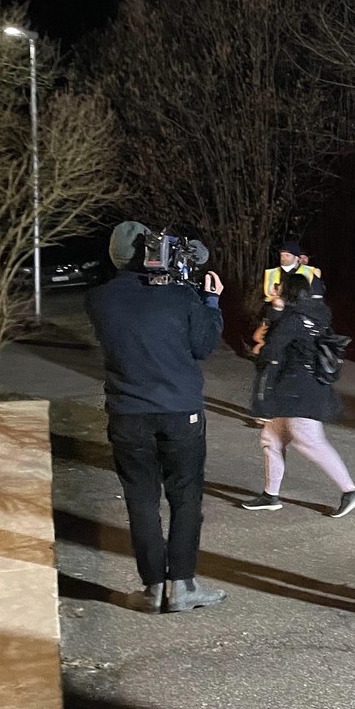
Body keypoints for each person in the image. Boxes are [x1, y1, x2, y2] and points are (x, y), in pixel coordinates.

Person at [86, 221, 227, 613]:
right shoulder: (181, 297)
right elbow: (203, 345)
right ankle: (182, 586)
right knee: (185, 497)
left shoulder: (98, 300)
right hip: (181, 413)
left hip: (128, 415)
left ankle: (152, 589)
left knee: (141, 500)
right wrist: (210, 301)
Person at [243, 272, 355, 518]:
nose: (274, 288)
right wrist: (277, 310)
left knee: (307, 440)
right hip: (302, 387)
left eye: (279, 286)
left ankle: (350, 490)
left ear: (288, 291)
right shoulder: (314, 314)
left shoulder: (294, 319)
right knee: (272, 438)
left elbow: (273, 347)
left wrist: (259, 352)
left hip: (300, 390)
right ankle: (270, 495)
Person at [253, 239, 325, 353]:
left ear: (297, 258)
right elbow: (267, 300)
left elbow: (317, 301)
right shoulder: (272, 273)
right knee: (260, 342)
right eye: (282, 255)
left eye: (287, 255)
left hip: (299, 320)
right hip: (277, 317)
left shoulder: (309, 274)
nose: (283, 258)